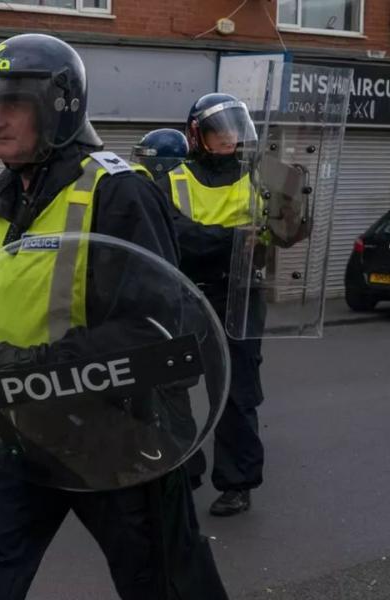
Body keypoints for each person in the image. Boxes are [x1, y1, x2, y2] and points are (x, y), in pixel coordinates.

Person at [0, 33, 228, 600]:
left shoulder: (116, 193)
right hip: (18, 429)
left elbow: (156, 331)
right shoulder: (2, 199)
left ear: (59, 106)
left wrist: (38, 365)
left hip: (116, 432)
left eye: (14, 103)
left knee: (166, 583)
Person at [161, 93, 265, 517]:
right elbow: (180, 236)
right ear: (196, 135)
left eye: (234, 130)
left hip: (241, 294)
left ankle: (238, 483)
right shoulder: (171, 178)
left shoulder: (257, 177)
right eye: (220, 131)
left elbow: (276, 233)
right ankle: (184, 472)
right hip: (188, 292)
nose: (229, 139)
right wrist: (235, 239)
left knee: (236, 393)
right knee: (172, 386)